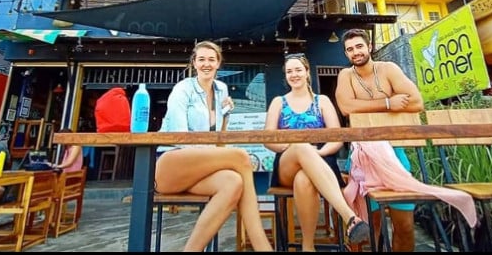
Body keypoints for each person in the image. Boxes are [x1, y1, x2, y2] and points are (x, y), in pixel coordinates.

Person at [155, 40, 273, 252]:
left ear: (219, 63)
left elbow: (219, 140)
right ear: (194, 63)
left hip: (198, 170)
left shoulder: (222, 90)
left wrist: (226, 115)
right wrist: (219, 157)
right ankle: (262, 246)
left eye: (211, 59)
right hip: (171, 163)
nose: (206, 64)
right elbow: (181, 139)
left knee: (233, 181)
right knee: (241, 157)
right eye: (201, 59)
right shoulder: (183, 89)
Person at [264, 53, 370, 251]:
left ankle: (307, 246)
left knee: (304, 179)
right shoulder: (279, 102)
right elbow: (268, 140)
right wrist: (296, 149)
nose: (294, 74)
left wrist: (313, 156)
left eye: (298, 70)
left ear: (306, 72)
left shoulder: (322, 101)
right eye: (289, 71)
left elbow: (336, 138)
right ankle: (349, 217)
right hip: (287, 162)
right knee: (301, 146)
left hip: (321, 160)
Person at [335, 28, 424, 252]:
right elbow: (346, 107)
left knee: (404, 226)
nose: (355, 52)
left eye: (359, 46)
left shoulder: (388, 70)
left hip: (394, 154)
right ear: (346, 54)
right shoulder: (346, 76)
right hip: (362, 156)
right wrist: (388, 103)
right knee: (369, 224)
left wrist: (366, 108)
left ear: (369, 47)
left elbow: (416, 102)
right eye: (349, 49)